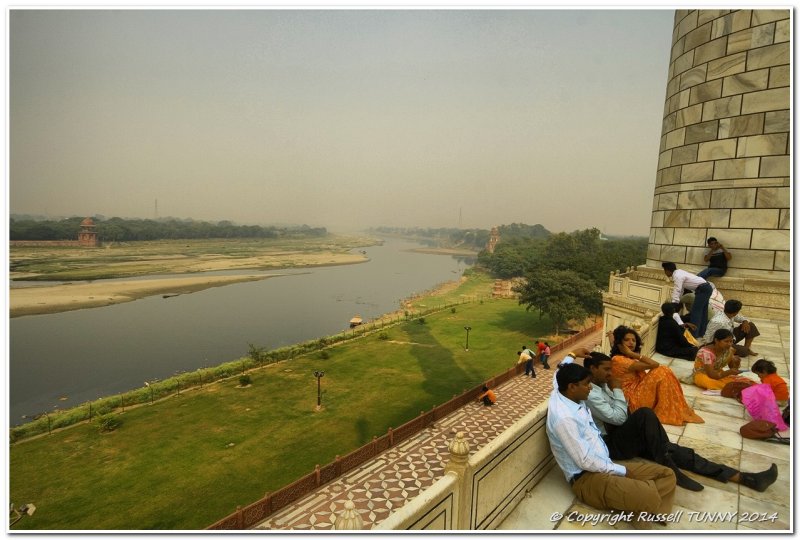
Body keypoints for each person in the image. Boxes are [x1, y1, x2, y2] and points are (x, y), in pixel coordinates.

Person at [584, 352, 778, 493]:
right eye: (606, 369)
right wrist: (618, 390)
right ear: (592, 369)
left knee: (678, 451)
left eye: (611, 369)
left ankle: (746, 478)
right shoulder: (589, 391)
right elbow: (619, 418)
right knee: (644, 414)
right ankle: (670, 468)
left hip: (623, 434)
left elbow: (622, 412)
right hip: (610, 444)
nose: (611, 373)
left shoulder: (603, 384)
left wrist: (575, 355)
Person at [546, 362, 676, 529]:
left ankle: (641, 508)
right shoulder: (564, 419)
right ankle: (641, 504)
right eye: (587, 384)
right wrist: (621, 471)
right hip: (587, 479)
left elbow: (557, 373)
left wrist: (573, 354)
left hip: (604, 464)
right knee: (648, 494)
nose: (590, 388)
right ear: (572, 387)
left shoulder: (563, 391)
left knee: (667, 474)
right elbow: (585, 461)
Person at [610, 325, 703, 426]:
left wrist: (628, 352)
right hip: (632, 402)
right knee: (661, 370)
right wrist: (633, 354)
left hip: (638, 393)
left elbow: (653, 365)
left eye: (633, 340)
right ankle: (667, 410)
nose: (631, 342)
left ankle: (671, 407)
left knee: (663, 371)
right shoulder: (619, 360)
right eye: (626, 340)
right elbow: (654, 364)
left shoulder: (627, 358)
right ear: (620, 344)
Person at [662, 261, 713, 338]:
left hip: (702, 289)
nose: (665, 273)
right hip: (706, 288)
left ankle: (694, 335)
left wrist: (674, 302)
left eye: (664, 271)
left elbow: (677, 289)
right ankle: (701, 333)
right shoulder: (679, 273)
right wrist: (677, 300)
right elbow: (681, 289)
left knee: (696, 312)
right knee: (703, 311)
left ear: (667, 270)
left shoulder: (677, 276)